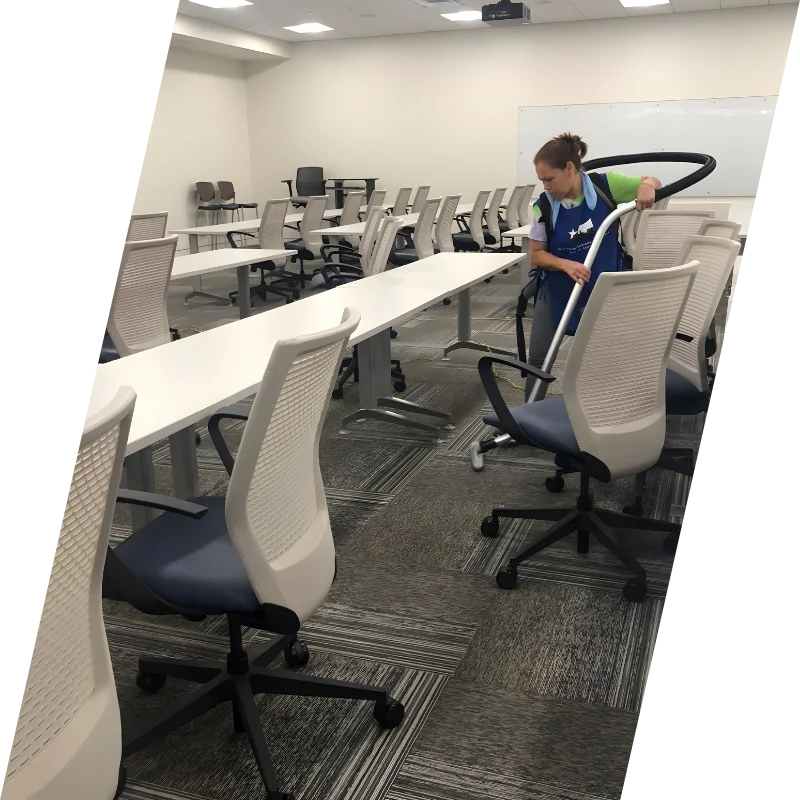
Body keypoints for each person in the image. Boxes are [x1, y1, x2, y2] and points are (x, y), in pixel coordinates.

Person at [525, 133, 662, 398]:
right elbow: (536, 255)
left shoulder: (605, 186)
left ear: (569, 168)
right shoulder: (542, 207)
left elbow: (651, 180)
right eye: (541, 180)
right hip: (556, 288)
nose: (545, 186)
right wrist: (565, 264)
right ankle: (528, 413)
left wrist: (648, 185)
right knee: (539, 357)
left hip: (604, 287)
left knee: (603, 358)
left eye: (549, 179)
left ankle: (601, 411)